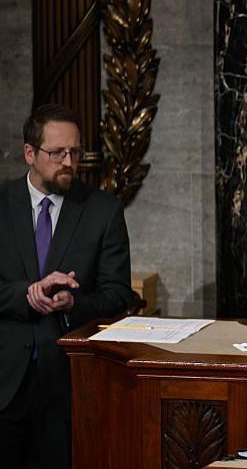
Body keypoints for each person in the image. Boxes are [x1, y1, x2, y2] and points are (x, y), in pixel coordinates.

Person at [0, 104, 135, 468]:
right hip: (5, 380)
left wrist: (72, 302)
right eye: (57, 152)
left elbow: (119, 294)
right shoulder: (2, 203)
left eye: (75, 152)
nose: (69, 161)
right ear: (30, 153)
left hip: (67, 382)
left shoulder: (102, 210)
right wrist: (26, 293)